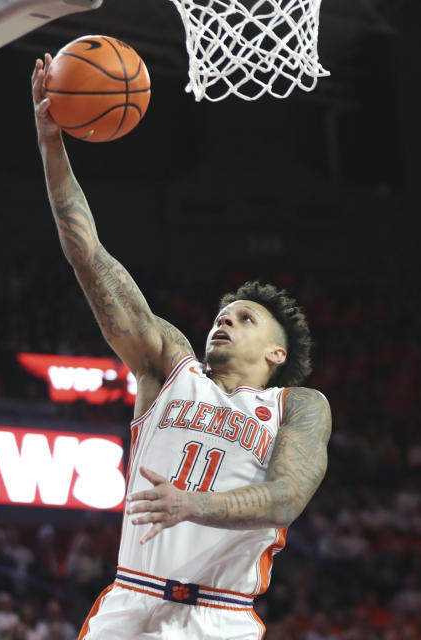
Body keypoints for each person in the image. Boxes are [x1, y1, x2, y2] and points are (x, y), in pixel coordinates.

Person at [32, 54, 332, 640]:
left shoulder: (298, 405)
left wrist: (193, 506)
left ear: (277, 353)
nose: (224, 321)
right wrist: (51, 145)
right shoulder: (169, 365)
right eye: (221, 314)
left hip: (221, 617)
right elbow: (90, 256)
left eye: (244, 318)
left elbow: (287, 497)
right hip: (132, 602)